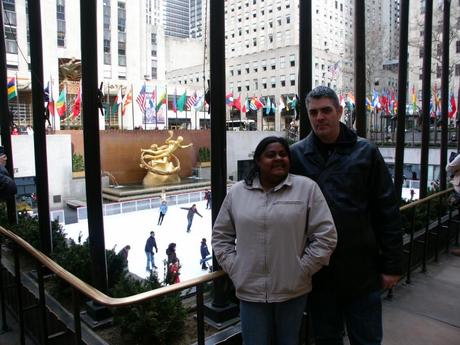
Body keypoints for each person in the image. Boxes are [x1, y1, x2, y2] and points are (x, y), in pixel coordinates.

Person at [290, 86, 403, 345]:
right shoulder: (296, 155)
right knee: (326, 338)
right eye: (314, 112)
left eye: (326, 110)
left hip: (362, 270)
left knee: (367, 339)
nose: (320, 117)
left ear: (339, 111)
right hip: (319, 274)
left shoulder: (366, 152)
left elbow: (387, 210)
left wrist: (393, 265)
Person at [212, 136, 337, 345]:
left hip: (292, 291)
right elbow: (221, 236)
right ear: (258, 161)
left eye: (283, 154)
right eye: (271, 155)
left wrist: (302, 269)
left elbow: (326, 235)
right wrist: (237, 268)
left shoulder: (307, 189)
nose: (278, 158)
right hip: (251, 292)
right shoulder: (237, 194)